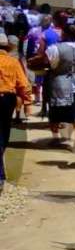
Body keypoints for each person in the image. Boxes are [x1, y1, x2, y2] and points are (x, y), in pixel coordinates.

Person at [45, 24, 75, 152]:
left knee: (55, 112)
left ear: (64, 34)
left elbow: (52, 64)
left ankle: (56, 137)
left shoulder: (55, 48)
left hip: (60, 84)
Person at [0, 33, 32, 193]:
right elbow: (23, 84)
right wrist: (27, 102)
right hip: (7, 99)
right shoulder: (13, 62)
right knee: (4, 133)